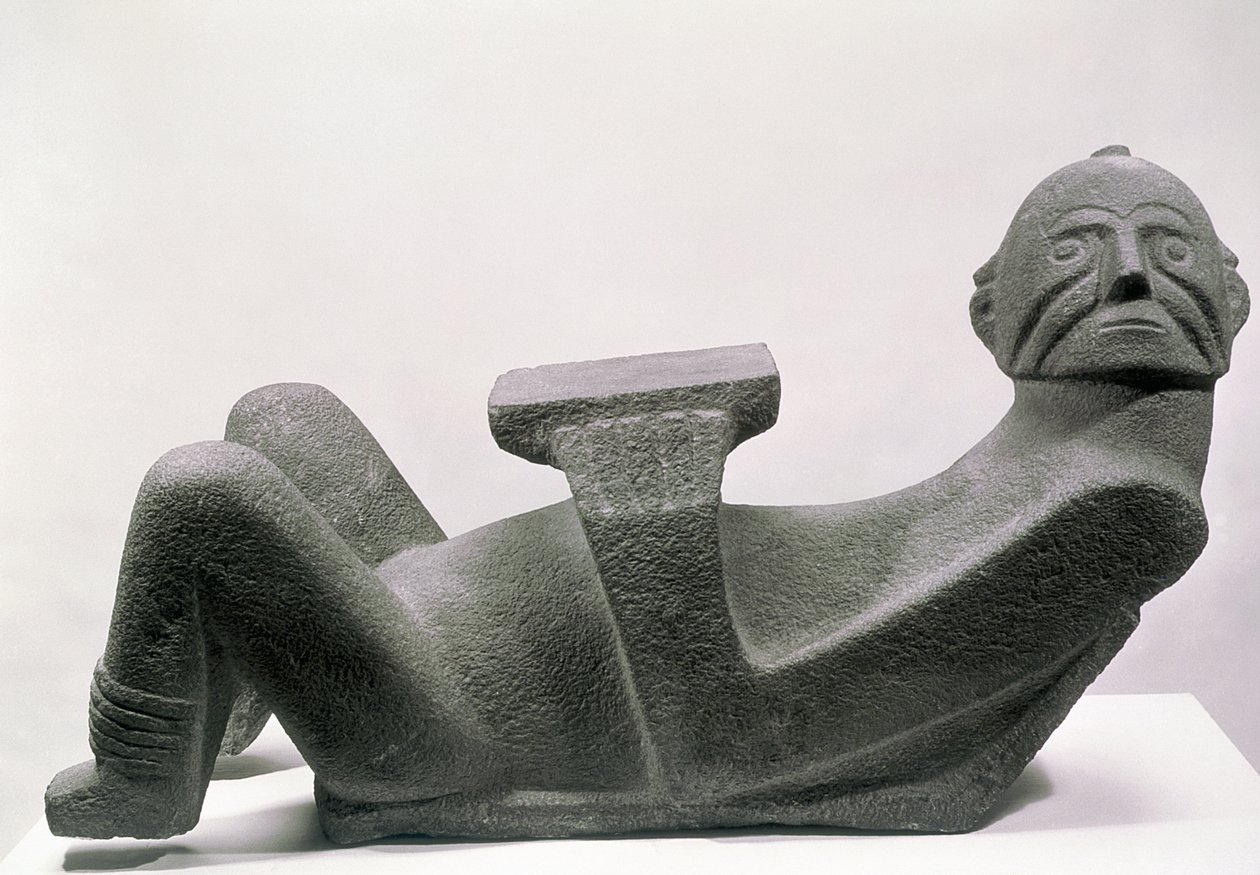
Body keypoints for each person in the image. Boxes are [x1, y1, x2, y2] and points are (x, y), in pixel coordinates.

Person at [46, 148, 1249, 842]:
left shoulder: (1115, 510)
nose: (1130, 276)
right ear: (993, 314)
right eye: (1077, 249)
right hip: (448, 626)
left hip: (448, 731)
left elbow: (735, 745)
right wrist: (644, 485)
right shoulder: (1039, 475)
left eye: (1172, 249)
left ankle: (147, 775)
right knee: (283, 413)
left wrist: (645, 487)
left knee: (202, 495)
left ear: (1234, 306)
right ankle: (230, 679)